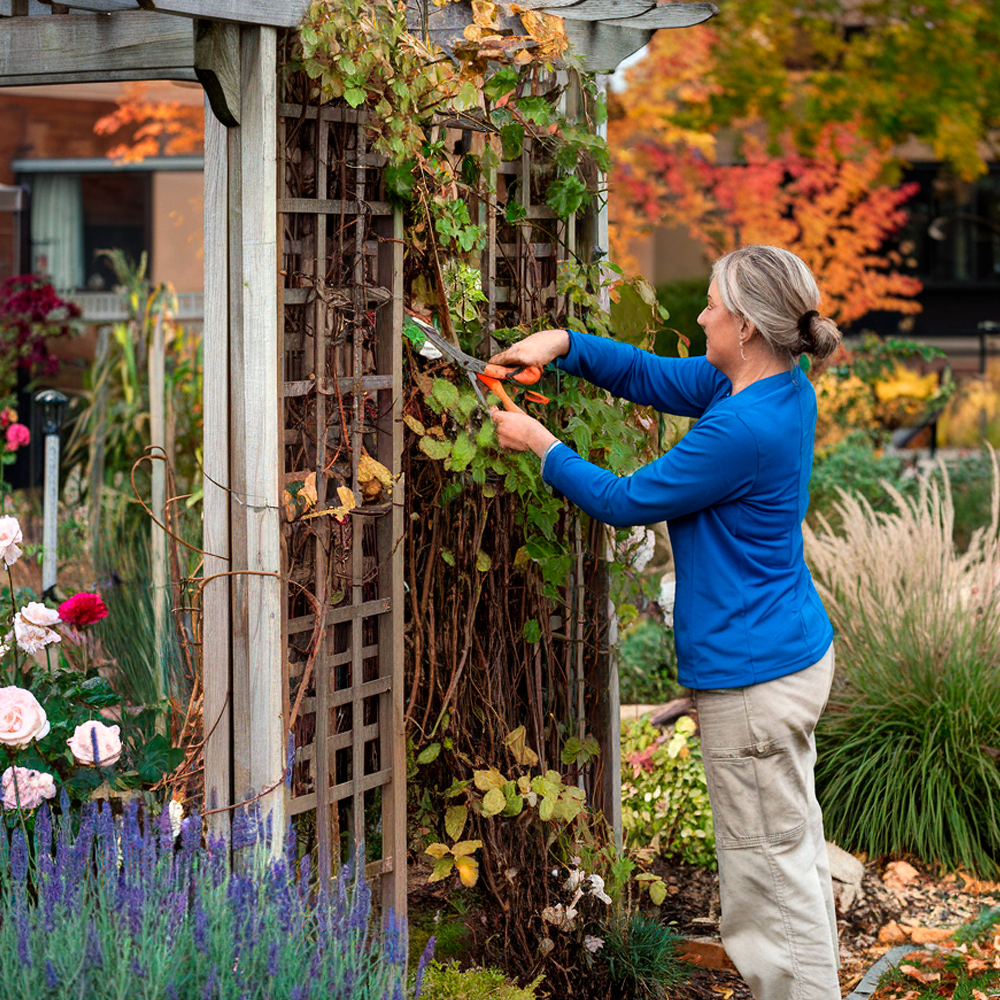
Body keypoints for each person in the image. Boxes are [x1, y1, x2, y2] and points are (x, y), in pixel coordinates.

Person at [490, 245, 843, 1000]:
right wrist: (564, 346)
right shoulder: (772, 385)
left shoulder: (741, 428)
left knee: (765, 889)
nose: (700, 314)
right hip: (788, 650)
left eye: (713, 304)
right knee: (794, 859)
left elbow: (624, 500)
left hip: (756, 679)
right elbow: (654, 377)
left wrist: (538, 444)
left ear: (746, 326)